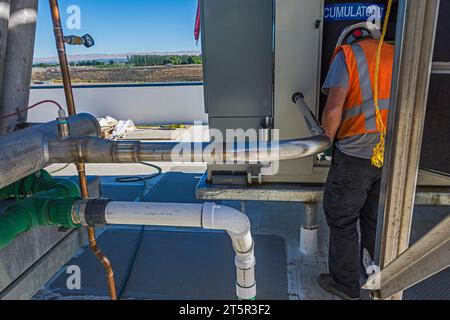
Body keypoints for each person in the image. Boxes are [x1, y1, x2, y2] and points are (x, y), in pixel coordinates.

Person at [317, 29, 394, 300]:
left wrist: (325, 139)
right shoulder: (396, 54)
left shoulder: (348, 56)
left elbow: (334, 107)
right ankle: (376, 277)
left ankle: (346, 284)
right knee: (374, 218)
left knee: (342, 218)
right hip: (389, 154)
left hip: (355, 155)